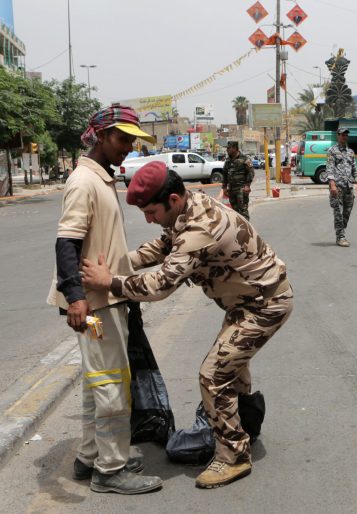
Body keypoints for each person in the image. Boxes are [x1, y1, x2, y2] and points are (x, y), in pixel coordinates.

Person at [81, 161, 293, 489]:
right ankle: (244, 424)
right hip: (246, 303)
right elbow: (163, 246)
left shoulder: (201, 228)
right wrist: (121, 261)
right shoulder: (188, 211)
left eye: (151, 212)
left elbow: (160, 285)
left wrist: (111, 281)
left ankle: (234, 456)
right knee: (231, 373)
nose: (149, 219)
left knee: (214, 375)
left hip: (264, 305)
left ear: (174, 200)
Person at [47, 104, 163, 495]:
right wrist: (75, 297)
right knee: (113, 383)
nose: (128, 146)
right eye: (121, 138)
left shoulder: (102, 179)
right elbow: (67, 242)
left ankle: (89, 456)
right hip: (95, 302)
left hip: (106, 297)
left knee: (97, 383)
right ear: (100, 135)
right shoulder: (84, 181)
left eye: (132, 139)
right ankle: (110, 469)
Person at [326, 127, 357, 247]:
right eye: (342, 135)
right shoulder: (332, 151)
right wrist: (332, 185)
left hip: (348, 186)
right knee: (338, 212)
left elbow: (354, 168)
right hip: (338, 186)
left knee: (347, 211)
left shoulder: (350, 152)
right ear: (338, 136)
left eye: (346, 135)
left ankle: (341, 229)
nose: (344, 137)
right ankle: (340, 237)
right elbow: (330, 168)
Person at [222, 140, 254, 220]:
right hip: (231, 190)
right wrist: (224, 187)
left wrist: (247, 185)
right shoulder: (228, 161)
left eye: (229, 148)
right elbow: (225, 174)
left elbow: (251, 172)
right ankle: (238, 230)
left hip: (241, 189)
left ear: (235, 148)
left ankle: (247, 230)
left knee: (243, 211)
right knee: (235, 212)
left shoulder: (245, 159)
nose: (227, 150)